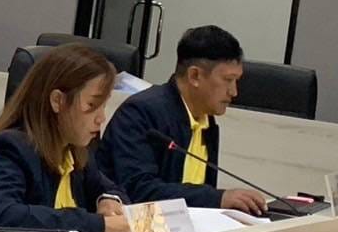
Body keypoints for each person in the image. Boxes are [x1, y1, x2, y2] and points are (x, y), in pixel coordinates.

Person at [0, 44, 130, 232]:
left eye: (103, 106)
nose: (101, 118)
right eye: (92, 105)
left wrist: (108, 199)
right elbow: (2, 215)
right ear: (57, 101)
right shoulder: (10, 149)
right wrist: (97, 225)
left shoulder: (75, 152)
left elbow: (109, 188)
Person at [97, 25, 267, 215]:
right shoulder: (140, 113)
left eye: (236, 81)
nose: (234, 92)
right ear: (194, 76)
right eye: (228, 80)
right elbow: (138, 191)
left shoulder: (206, 120)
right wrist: (217, 198)